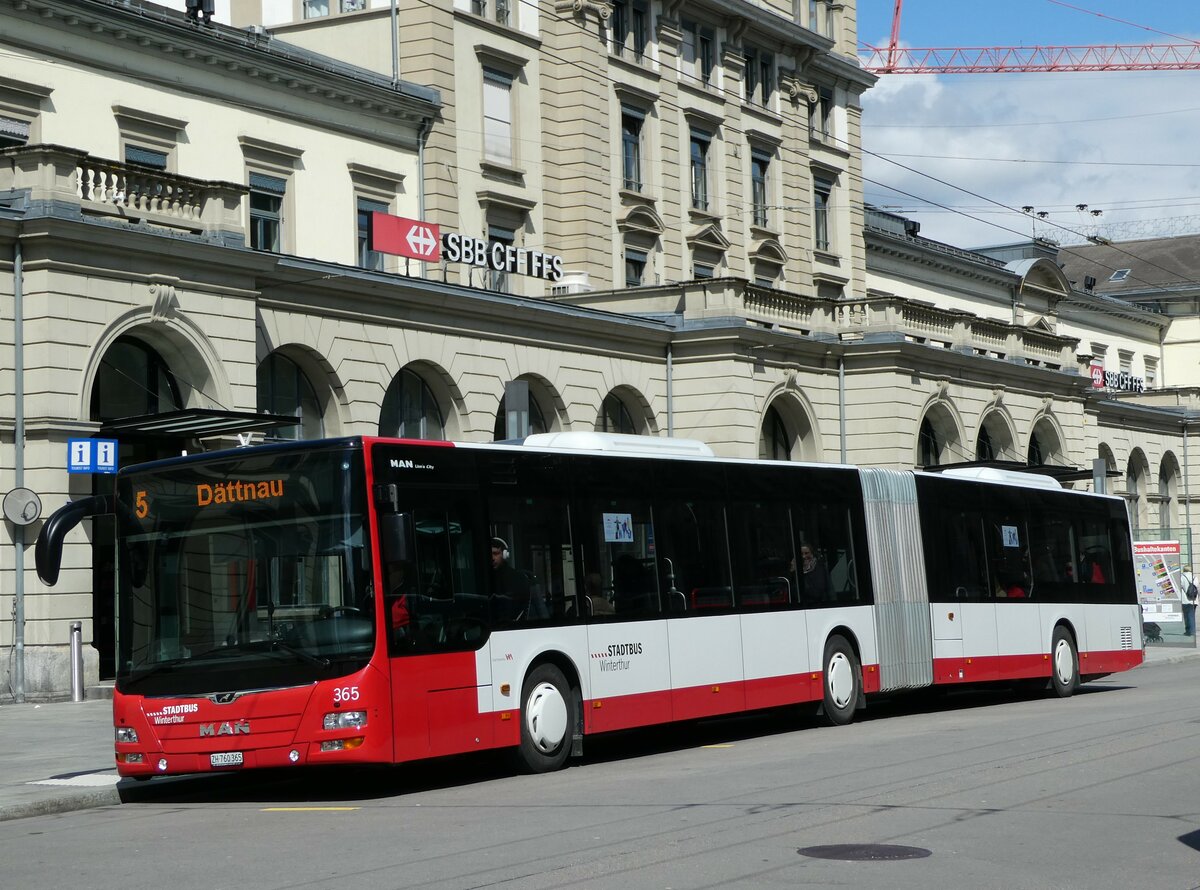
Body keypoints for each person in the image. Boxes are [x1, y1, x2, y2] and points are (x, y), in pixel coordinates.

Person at [1182, 564, 1197, 636]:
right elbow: (1197, 587)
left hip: (1185, 599)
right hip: (1194, 599)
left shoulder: (1182, 577)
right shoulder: (1195, 577)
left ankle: (1189, 631)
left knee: (1186, 616)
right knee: (1192, 615)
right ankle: (1191, 630)